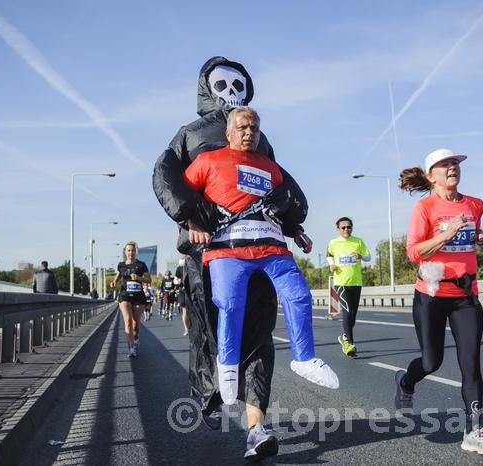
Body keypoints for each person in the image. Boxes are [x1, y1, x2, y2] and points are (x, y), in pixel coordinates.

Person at [153, 56, 311, 461]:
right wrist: (189, 213)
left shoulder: (263, 141)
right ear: (206, 88)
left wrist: (293, 219)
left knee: (259, 335)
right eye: (221, 85)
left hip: (259, 249)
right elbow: (165, 172)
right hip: (210, 252)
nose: (231, 94)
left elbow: (279, 181)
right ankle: (209, 393)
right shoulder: (190, 135)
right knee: (211, 327)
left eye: (238, 86)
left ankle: (256, 427)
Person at [183, 106, 338, 404]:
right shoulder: (207, 161)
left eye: (254, 128)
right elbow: (183, 196)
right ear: (228, 132)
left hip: (272, 247)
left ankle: (304, 358)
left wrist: (296, 230)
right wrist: (191, 222)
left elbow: (280, 205)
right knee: (230, 304)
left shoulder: (270, 167)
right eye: (242, 127)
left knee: (299, 295)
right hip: (229, 250)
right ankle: (227, 367)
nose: (249, 132)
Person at [395, 148, 483, 455]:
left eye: (455, 163)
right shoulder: (424, 207)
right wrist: (445, 234)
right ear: (432, 175)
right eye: (445, 164)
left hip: (466, 296)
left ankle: (474, 432)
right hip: (431, 294)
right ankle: (406, 382)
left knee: (471, 364)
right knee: (432, 361)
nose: (453, 167)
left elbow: (474, 238)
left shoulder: (474, 204)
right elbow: (414, 252)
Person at [326, 218, 370, 357]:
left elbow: (368, 257)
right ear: (338, 229)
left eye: (349, 227)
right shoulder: (333, 243)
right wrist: (331, 264)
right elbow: (328, 256)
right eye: (343, 227)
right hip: (341, 282)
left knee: (353, 316)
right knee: (347, 311)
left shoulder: (358, 241)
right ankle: (349, 344)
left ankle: (344, 336)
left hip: (356, 282)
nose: (346, 229)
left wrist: (360, 256)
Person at [110, 242, 151, 358]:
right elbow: (117, 278)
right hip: (125, 296)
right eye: (128, 250)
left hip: (138, 297)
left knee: (135, 324)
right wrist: (113, 283)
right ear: (125, 252)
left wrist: (138, 278)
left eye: (132, 250)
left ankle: (136, 337)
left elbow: (149, 280)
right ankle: (132, 348)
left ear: (136, 251)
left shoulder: (141, 265)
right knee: (127, 320)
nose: (130, 253)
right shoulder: (121, 265)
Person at [175, 255, 190, 336]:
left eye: (183, 258)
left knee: (191, 310)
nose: (181, 259)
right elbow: (175, 280)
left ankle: (191, 327)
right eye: (180, 258)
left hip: (191, 291)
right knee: (184, 310)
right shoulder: (179, 268)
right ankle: (186, 328)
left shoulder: (190, 266)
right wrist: (178, 282)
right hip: (182, 291)